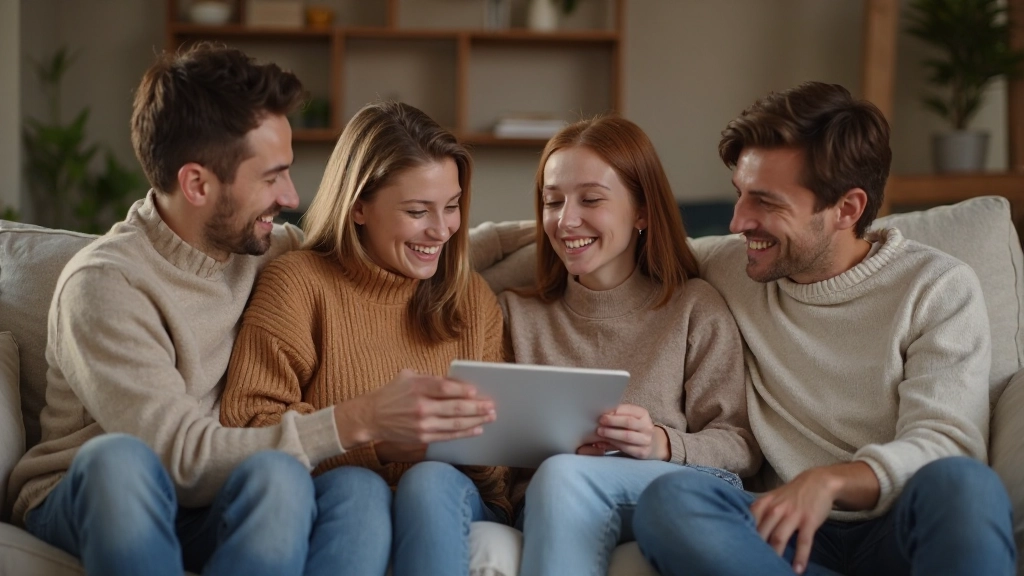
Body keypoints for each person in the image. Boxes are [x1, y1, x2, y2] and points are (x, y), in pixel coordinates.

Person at [6, 44, 495, 576]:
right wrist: (364, 418)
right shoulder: (103, 285)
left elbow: (376, 241)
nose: (290, 194)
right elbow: (179, 459)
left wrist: (553, 237)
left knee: (295, 479)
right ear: (197, 183)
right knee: (119, 462)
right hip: (100, 494)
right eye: (271, 176)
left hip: (207, 500)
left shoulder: (258, 246)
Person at [633, 82, 1017, 576]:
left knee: (965, 484)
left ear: (847, 209)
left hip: (898, 527)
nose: (736, 222)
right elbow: (595, 238)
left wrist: (830, 482)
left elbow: (945, 442)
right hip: (780, 537)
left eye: (766, 203)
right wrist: (509, 236)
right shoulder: (732, 265)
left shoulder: (937, 287)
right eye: (739, 195)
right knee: (671, 500)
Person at [220, 100, 512, 576]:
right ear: (358, 206)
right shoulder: (299, 284)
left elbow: (501, 470)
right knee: (359, 486)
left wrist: (472, 448)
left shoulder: (470, 296)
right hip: (341, 497)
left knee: (429, 480)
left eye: (453, 206)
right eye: (418, 211)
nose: (441, 230)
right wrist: (378, 444)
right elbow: (248, 425)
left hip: (452, 496)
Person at [499, 116, 762, 576]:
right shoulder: (514, 315)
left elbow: (739, 445)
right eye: (552, 201)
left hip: (669, 493)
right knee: (559, 474)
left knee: (561, 475)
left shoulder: (692, 307)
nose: (566, 221)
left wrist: (661, 443)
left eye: (591, 200)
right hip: (551, 502)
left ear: (641, 211)